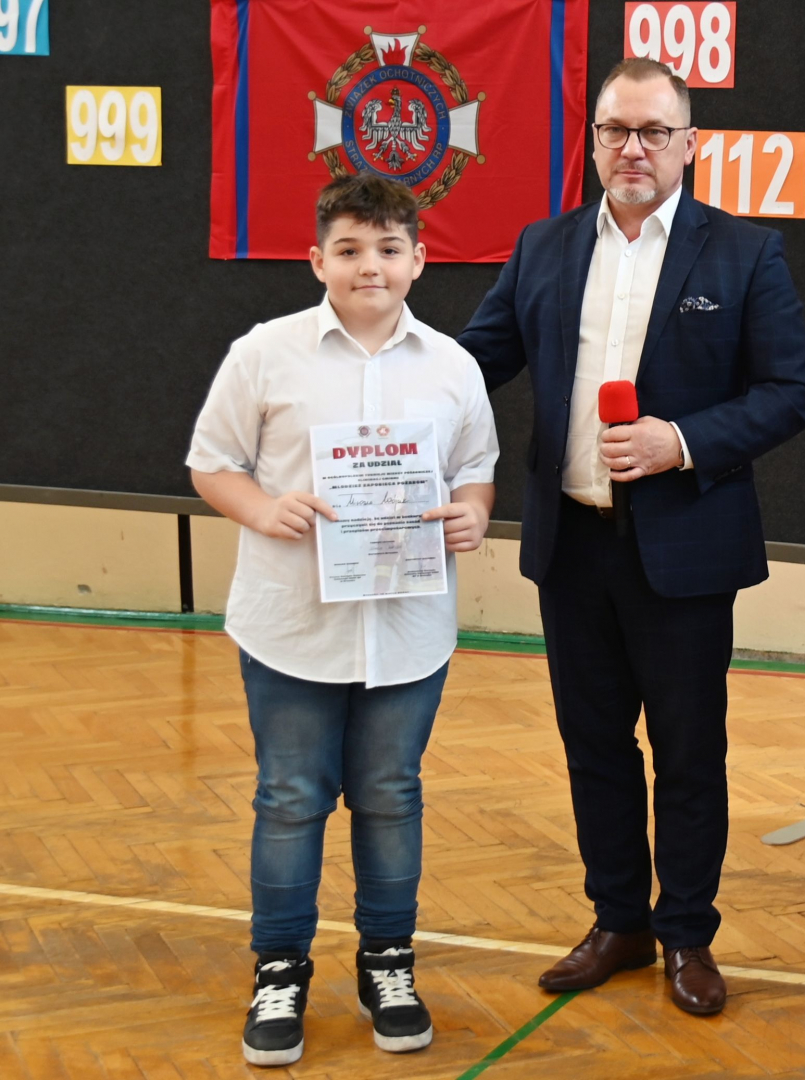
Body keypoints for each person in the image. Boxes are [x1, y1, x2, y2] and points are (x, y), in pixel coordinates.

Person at [458, 58, 805, 1016]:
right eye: (616, 130)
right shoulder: (543, 246)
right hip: (571, 543)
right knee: (594, 746)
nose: (633, 148)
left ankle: (686, 935)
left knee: (689, 754)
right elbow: (474, 362)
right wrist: (374, 373)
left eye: (654, 131)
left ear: (688, 144)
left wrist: (681, 441)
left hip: (685, 549)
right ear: (592, 141)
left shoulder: (744, 253)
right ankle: (617, 920)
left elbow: (794, 391)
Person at [188, 174, 499, 1066]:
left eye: (389, 249)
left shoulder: (453, 366)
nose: (371, 266)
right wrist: (262, 508)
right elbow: (212, 463)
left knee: (392, 795)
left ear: (419, 260)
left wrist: (473, 515)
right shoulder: (265, 353)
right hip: (292, 628)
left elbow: (475, 470)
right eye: (351, 249)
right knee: (290, 800)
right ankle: (279, 969)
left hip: (407, 632)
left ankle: (387, 963)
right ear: (316, 259)